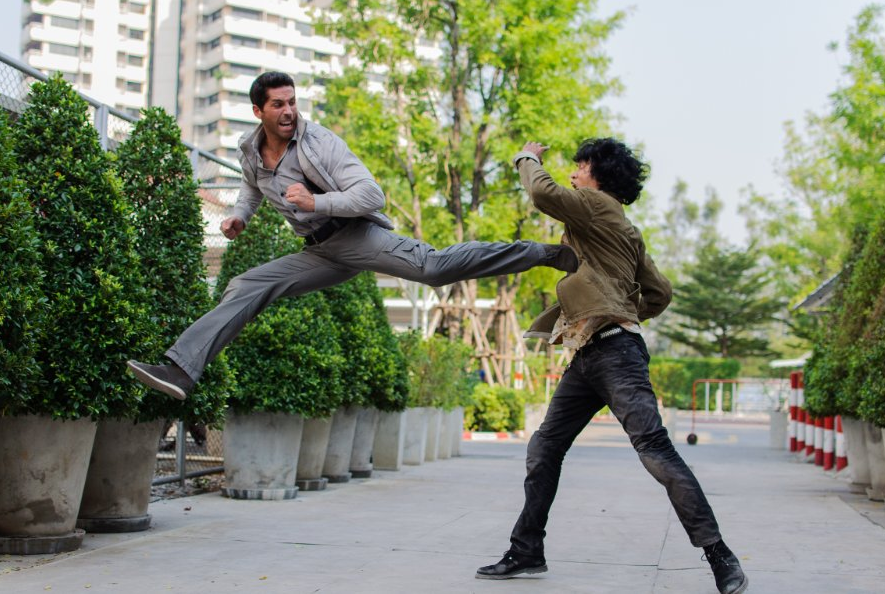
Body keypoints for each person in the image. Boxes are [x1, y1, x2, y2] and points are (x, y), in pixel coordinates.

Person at [126, 72, 577, 400]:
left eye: (292, 102)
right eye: (278, 105)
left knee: (435, 268)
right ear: (258, 111)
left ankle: (542, 253)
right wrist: (240, 216)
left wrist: (315, 203)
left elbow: (372, 195)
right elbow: (250, 188)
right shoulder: (250, 149)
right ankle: (182, 370)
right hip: (320, 250)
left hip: (356, 234)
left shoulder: (318, 143)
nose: (288, 112)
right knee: (246, 285)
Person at [475, 138, 748, 594]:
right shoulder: (625, 228)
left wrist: (527, 158)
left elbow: (542, 194)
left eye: (579, 167)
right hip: (590, 354)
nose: (573, 175)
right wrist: (623, 310)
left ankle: (720, 555)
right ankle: (526, 551)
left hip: (615, 354)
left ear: (597, 174)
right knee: (544, 447)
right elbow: (660, 291)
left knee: (655, 449)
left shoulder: (593, 205)